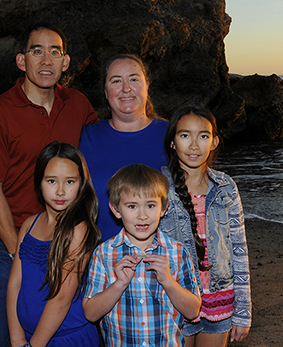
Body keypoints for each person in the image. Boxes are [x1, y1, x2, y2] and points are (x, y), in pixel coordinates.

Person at [0, 23, 97, 346]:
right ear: (21, 61)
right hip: (13, 244)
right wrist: (18, 253)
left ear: (66, 63)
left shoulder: (78, 105)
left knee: (67, 331)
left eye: (55, 52)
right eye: (36, 50)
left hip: (68, 242)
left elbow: (102, 150)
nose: (46, 60)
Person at [159, 105, 251, 346]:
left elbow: (239, 251)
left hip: (219, 300)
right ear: (172, 142)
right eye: (184, 135)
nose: (193, 145)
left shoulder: (226, 187)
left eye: (203, 136)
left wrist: (243, 311)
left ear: (214, 142)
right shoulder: (157, 187)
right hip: (174, 299)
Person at [83, 164, 201, 347]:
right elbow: (90, 313)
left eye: (151, 205)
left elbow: (193, 311)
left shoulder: (177, 252)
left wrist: (168, 281)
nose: (142, 216)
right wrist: (119, 284)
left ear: (163, 208)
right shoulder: (103, 253)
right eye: (132, 206)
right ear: (116, 209)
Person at [7, 142, 101, 347]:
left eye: (69, 182)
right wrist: (16, 339)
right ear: (39, 182)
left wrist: (35, 345)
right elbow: (15, 284)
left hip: (67, 338)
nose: (60, 191)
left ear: (81, 184)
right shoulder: (28, 225)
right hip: (28, 338)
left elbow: (61, 299)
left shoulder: (79, 230)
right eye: (51, 181)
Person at [79, 54, 168, 242]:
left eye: (134, 79)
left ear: (147, 86)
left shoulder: (172, 135)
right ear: (105, 91)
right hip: (100, 260)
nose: (126, 88)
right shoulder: (85, 137)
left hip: (161, 261)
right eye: (116, 81)